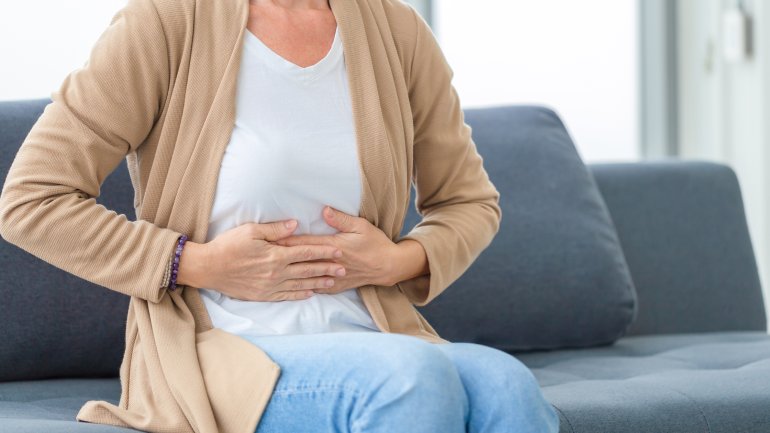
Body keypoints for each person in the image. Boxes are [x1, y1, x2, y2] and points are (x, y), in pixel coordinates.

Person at [0, 0, 559, 432]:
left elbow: (469, 201)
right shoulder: (167, 22)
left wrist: (397, 261)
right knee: (411, 378)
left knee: (506, 383)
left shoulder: (398, 31)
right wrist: (193, 263)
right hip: (219, 343)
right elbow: (31, 200)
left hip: (371, 331)